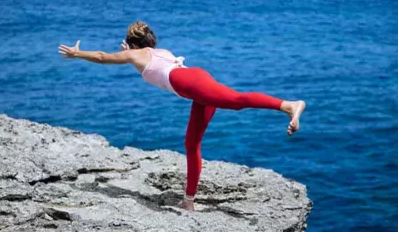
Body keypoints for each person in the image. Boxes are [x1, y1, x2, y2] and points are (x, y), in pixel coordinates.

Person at [58, 21, 306, 211]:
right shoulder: (157, 51)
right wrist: (129, 51)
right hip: (194, 81)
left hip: (188, 82)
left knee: (235, 101)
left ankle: (288, 105)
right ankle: (188, 201)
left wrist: (76, 54)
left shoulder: (135, 54)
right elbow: (139, 58)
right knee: (191, 144)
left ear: (131, 44)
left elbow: (102, 57)